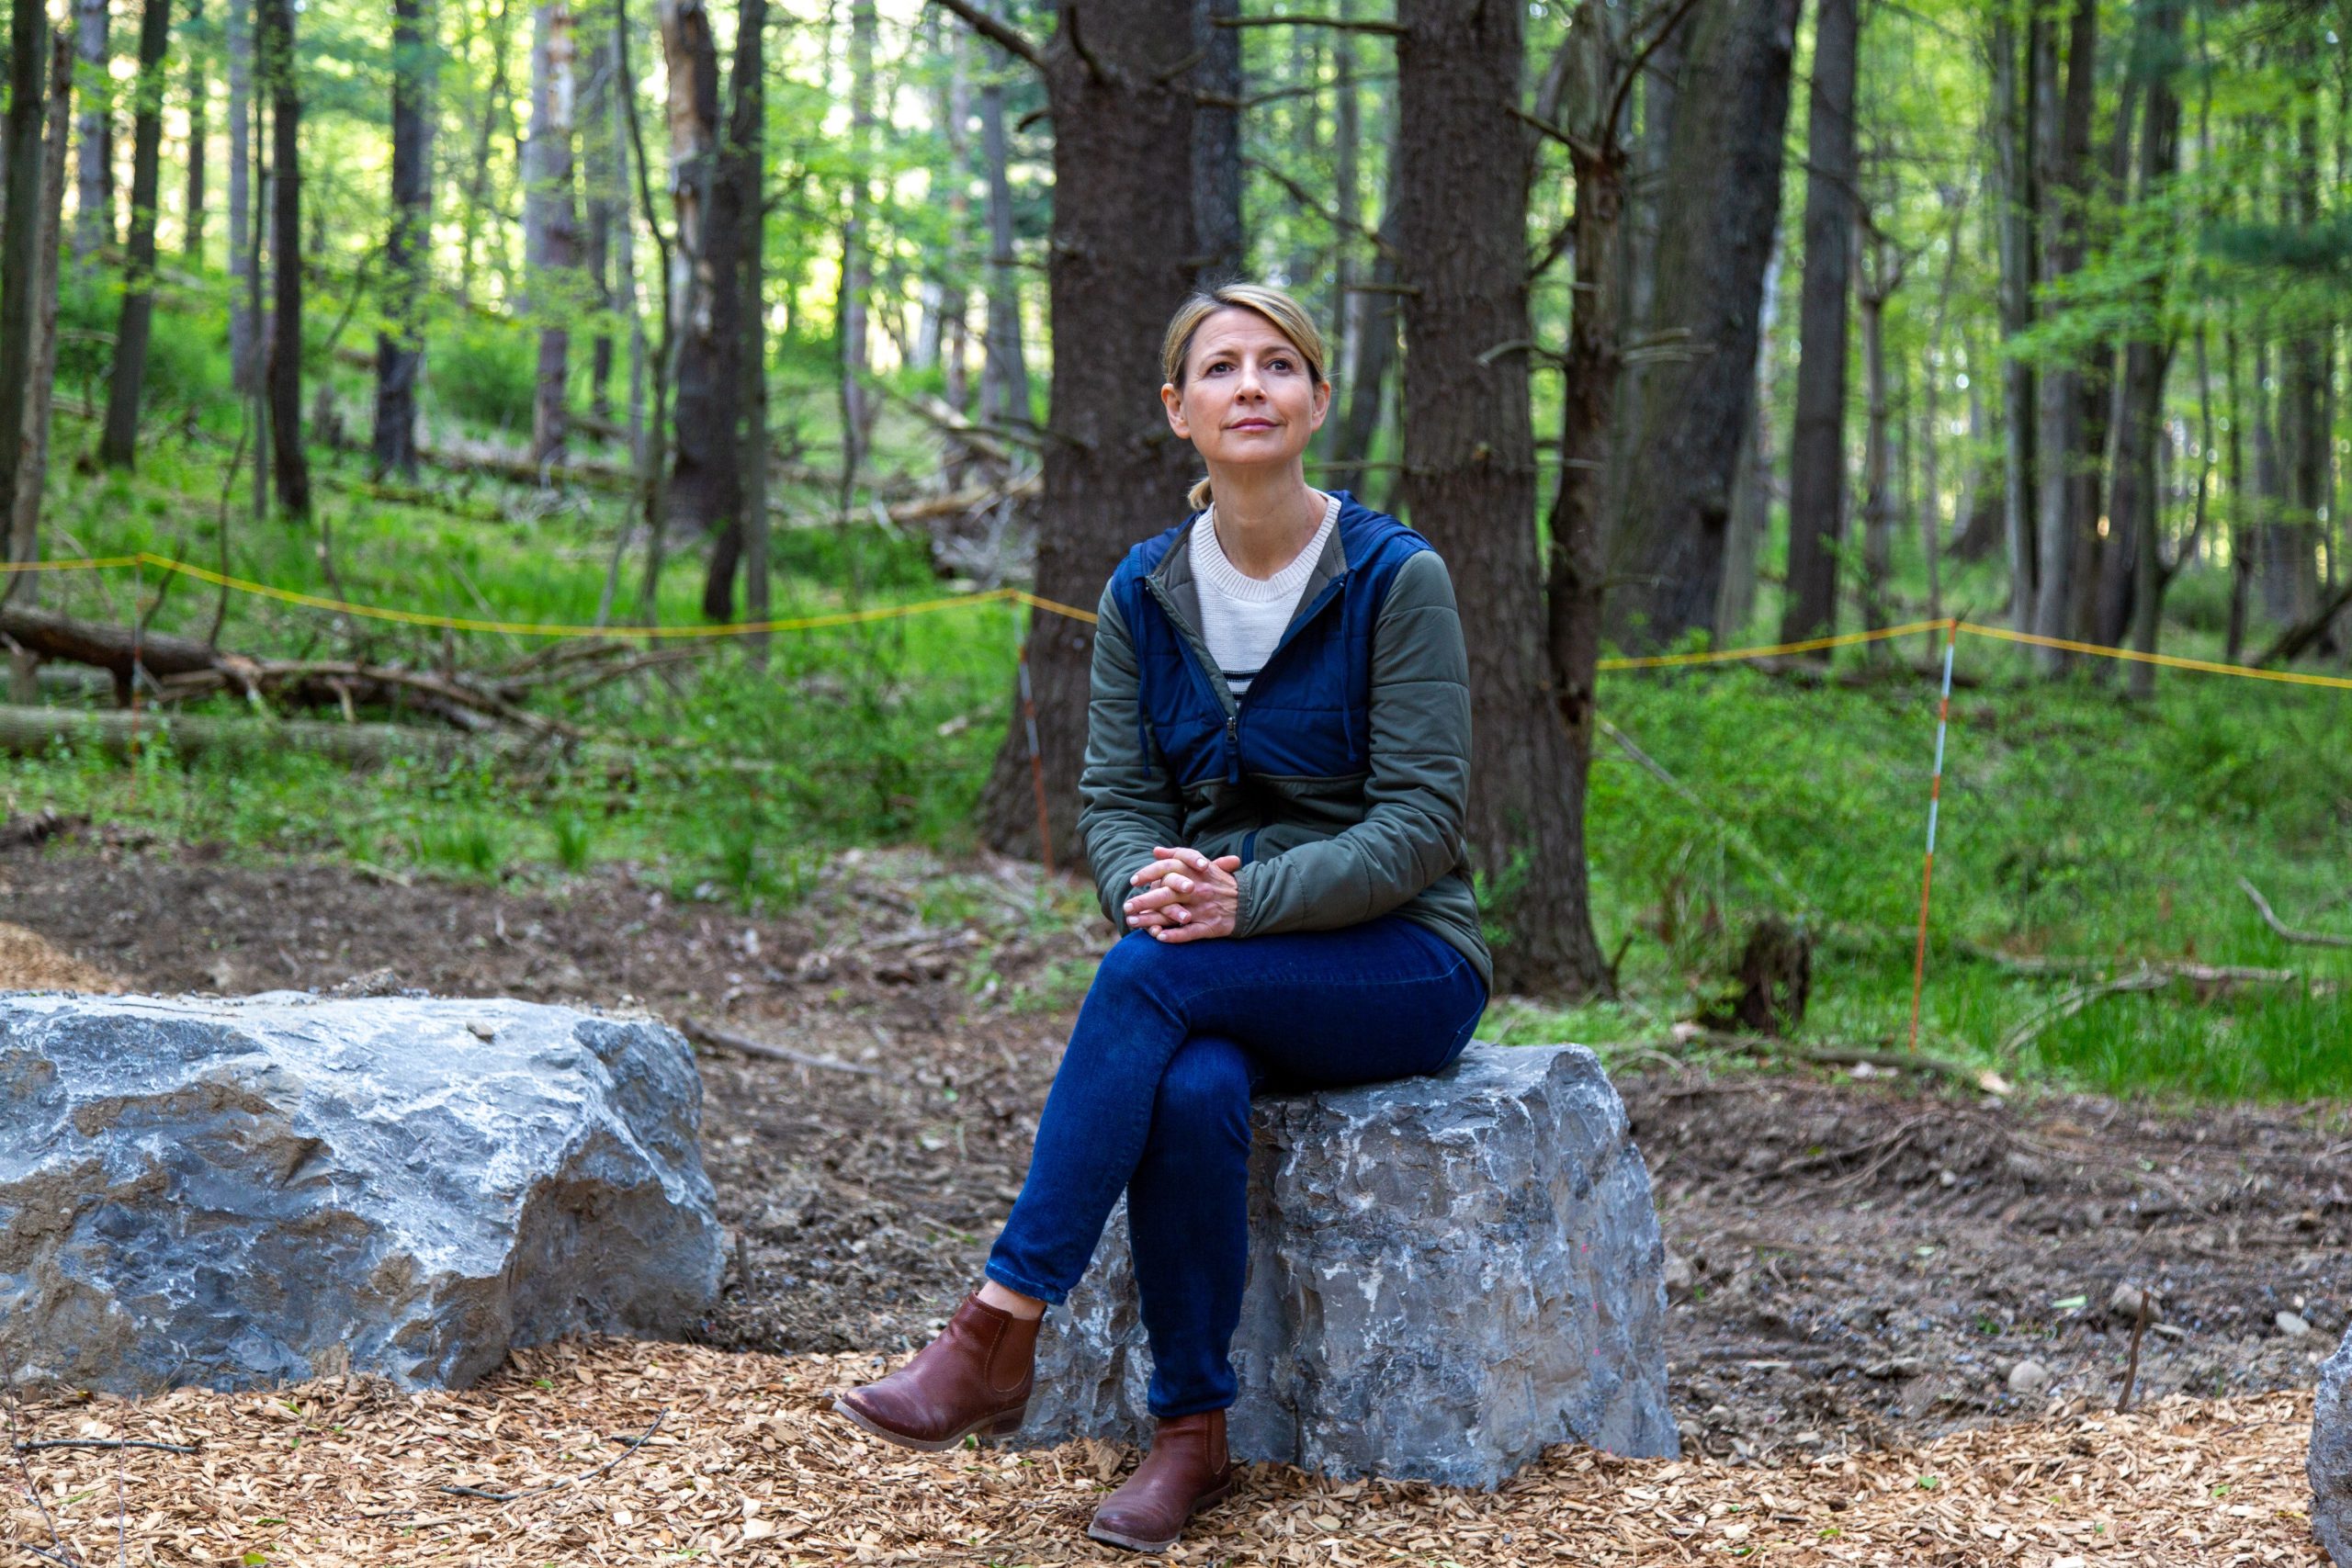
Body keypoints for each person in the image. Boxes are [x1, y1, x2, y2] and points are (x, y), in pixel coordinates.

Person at [832, 282, 1490, 1554]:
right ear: (1177, 411)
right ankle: (1191, 1436)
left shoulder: (1396, 580)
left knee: (1148, 983)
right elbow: (1119, 801)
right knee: (1190, 1087)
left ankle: (996, 1328)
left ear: (1318, 400)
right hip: (1218, 956)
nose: (1253, 385)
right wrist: (1151, 883)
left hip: (1399, 958)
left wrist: (1245, 899)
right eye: (1223, 368)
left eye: (1280, 365)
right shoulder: (1144, 591)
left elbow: (1422, 826)